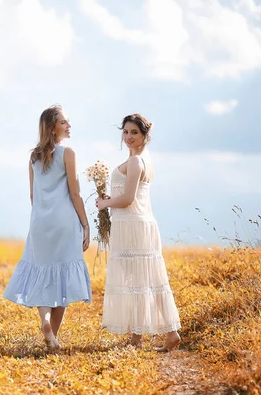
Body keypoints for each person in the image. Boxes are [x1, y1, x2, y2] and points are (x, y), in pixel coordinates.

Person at [3, 104, 92, 349]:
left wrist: (40, 218)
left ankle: (45, 323)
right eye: (64, 122)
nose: (68, 125)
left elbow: (33, 196)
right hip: (65, 223)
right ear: (53, 127)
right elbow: (75, 193)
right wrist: (85, 225)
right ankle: (53, 336)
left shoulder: (33, 156)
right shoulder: (68, 153)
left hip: (40, 223)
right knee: (62, 275)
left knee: (42, 274)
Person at [95, 113, 181, 352]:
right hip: (134, 224)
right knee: (143, 280)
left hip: (133, 225)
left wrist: (105, 204)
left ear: (145, 135)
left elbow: (129, 199)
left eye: (134, 132)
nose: (129, 137)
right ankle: (145, 336)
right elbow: (128, 196)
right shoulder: (138, 159)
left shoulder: (136, 161)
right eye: (125, 132)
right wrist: (110, 201)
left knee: (140, 281)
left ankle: (150, 336)